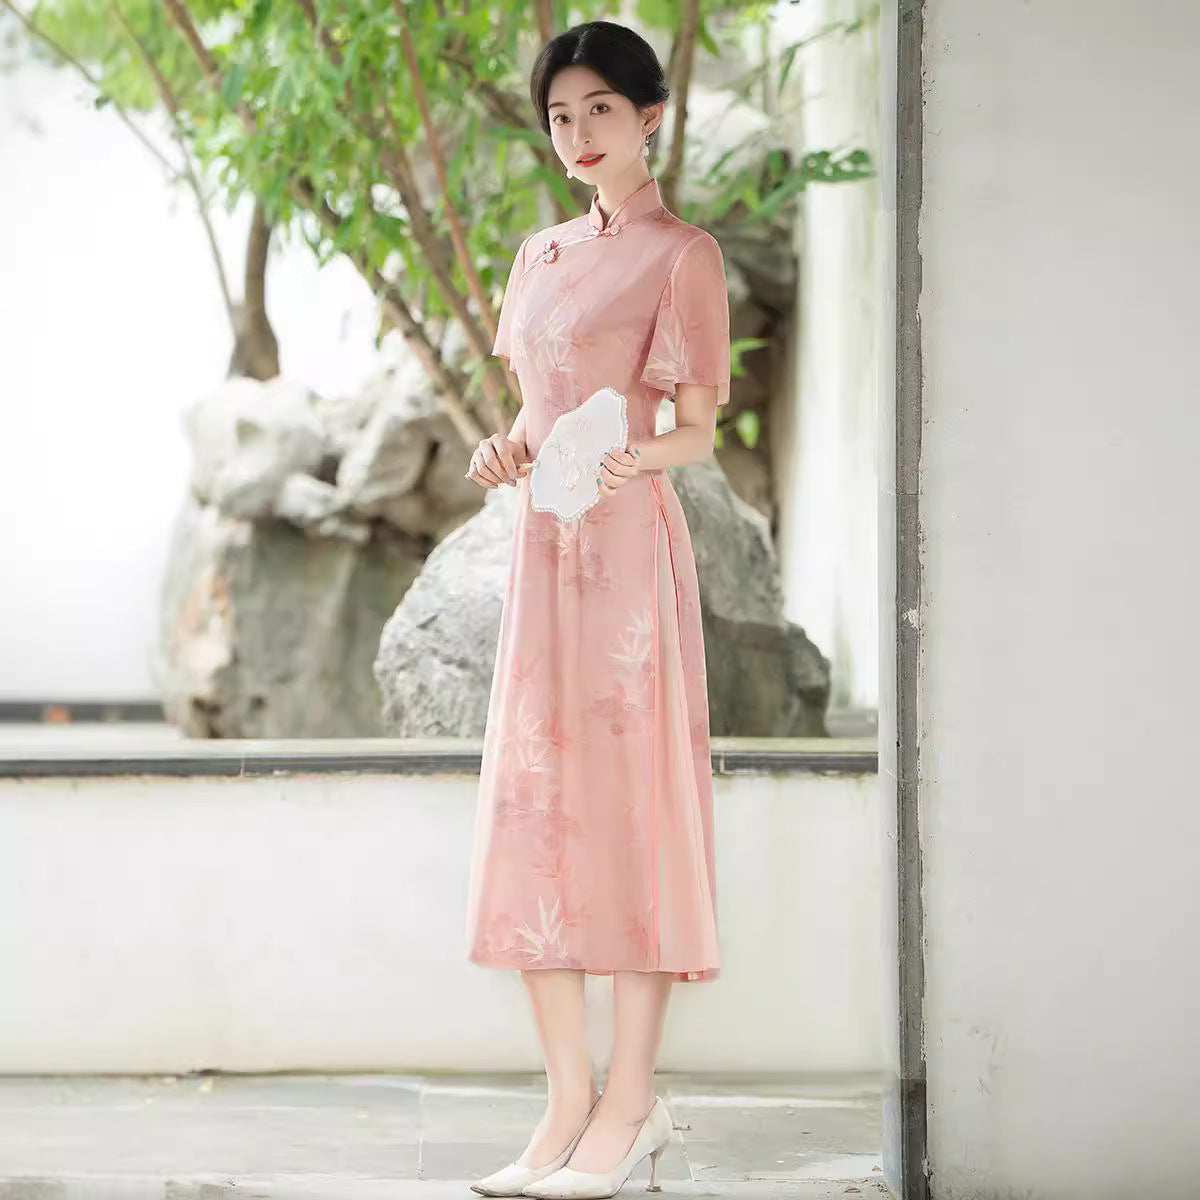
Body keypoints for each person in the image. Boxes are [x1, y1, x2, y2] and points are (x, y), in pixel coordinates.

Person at [463, 19, 731, 1200]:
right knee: (541, 815)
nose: (577, 135)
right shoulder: (539, 255)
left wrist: (639, 460)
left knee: (628, 818)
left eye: (600, 113)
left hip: (626, 559)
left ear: (650, 117)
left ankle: (633, 1104)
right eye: (562, 115)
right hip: (543, 555)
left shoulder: (685, 256)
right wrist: (501, 452)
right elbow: (532, 415)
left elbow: (698, 429)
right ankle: (566, 1096)